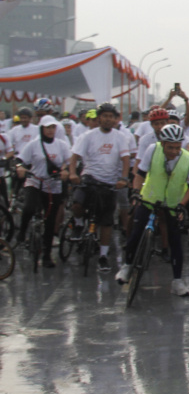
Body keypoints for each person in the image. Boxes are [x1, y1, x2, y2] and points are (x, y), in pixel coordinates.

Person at [115, 124, 189, 296]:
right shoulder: (152, 150)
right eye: (170, 147)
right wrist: (136, 192)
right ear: (162, 143)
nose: (174, 151)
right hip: (149, 199)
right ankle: (127, 266)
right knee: (136, 232)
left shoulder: (187, 159)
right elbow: (140, 174)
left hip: (173, 204)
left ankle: (177, 281)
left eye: (177, 147)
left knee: (176, 242)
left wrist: (182, 204)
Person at [68, 102, 132, 273]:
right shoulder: (88, 136)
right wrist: (73, 173)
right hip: (89, 178)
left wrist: (123, 179)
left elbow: (125, 159)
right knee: (77, 205)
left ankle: (103, 256)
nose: (108, 119)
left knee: (106, 221)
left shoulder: (121, 137)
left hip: (109, 183)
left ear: (115, 119)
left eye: (111, 116)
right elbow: (74, 157)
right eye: (104, 116)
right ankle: (79, 224)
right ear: (99, 118)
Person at [15, 116, 72, 267]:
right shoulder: (33, 145)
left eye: (53, 127)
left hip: (53, 185)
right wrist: (20, 167)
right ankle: (22, 232)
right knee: (29, 207)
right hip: (35, 182)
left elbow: (69, 162)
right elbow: (20, 160)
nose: (50, 130)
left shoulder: (61, 145)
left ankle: (46, 255)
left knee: (50, 220)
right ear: (41, 128)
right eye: (47, 127)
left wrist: (66, 171)